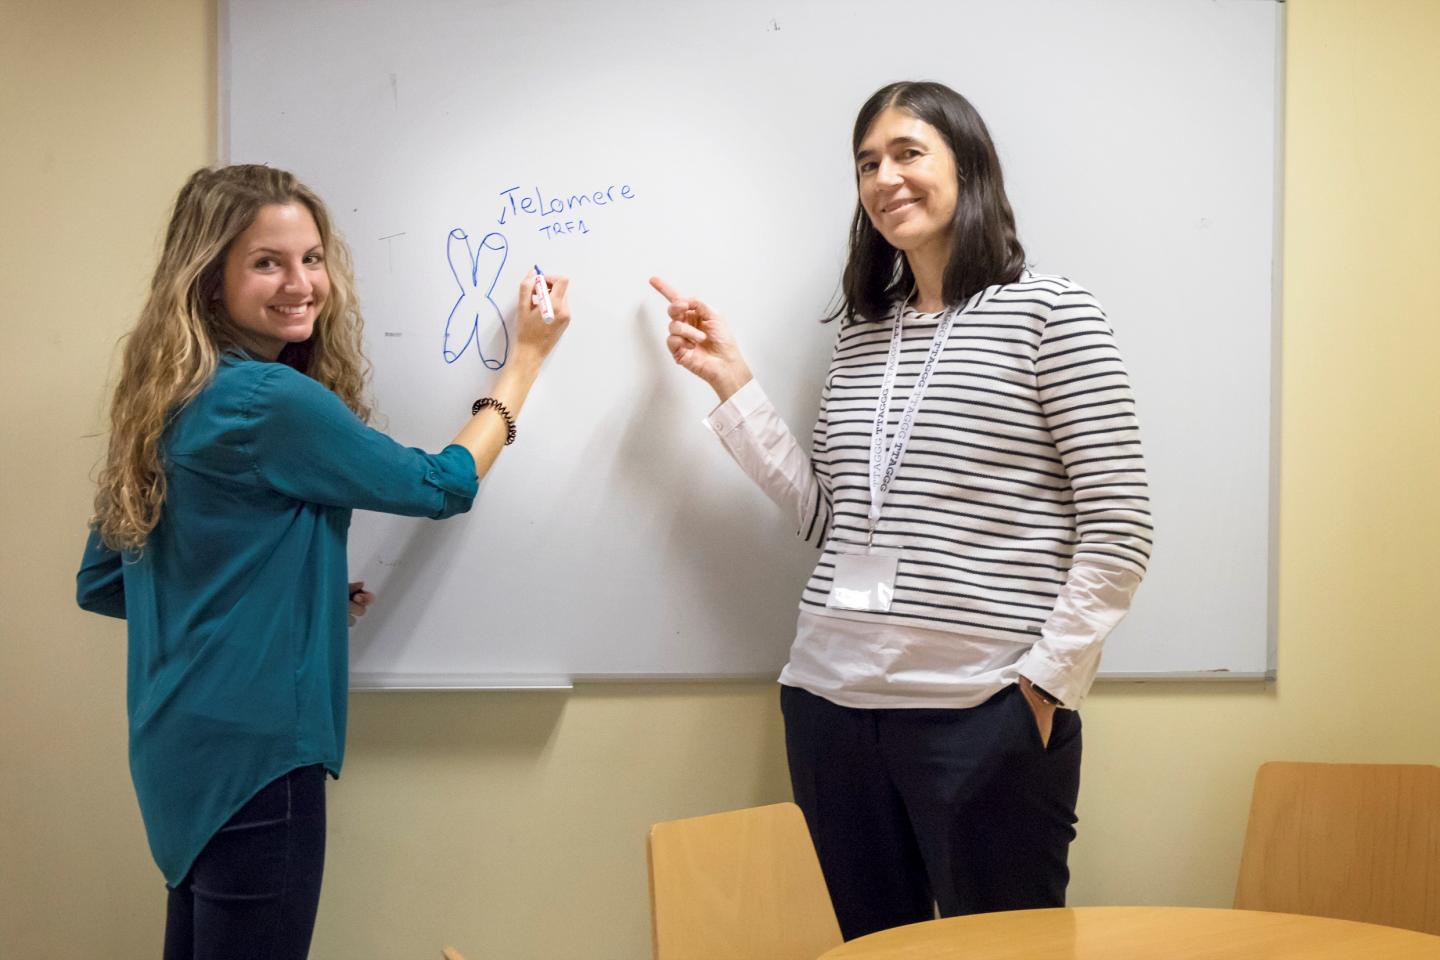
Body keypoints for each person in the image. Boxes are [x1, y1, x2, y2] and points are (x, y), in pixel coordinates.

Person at [652, 81, 1152, 940]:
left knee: (1004, 950)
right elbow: (830, 518)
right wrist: (732, 380)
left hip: (982, 710)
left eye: (909, 153)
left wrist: (1040, 689)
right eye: (867, 163)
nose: (886, 177)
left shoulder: (1050, 312)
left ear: (969, 166)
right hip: (830, 706)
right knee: (868, 948)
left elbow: (1120, 528)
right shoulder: (863, 332)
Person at [75, 164, 570, 959]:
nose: (302, 283)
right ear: (209, 279)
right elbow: (441, 484)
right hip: (258, 759)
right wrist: (525, 365)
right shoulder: (267, 401)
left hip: (177, 756)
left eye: (312, 258)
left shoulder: (166, 393)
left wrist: (288, 594)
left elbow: (105, 579)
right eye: (267, 262)